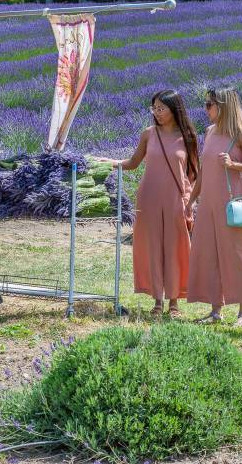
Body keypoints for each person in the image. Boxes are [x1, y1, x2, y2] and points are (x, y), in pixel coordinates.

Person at [99, 90, 199, 317]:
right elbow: (134, 162)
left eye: (161, 108)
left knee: (175, 248)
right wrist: (110, 162)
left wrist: (189, 201)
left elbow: (193, 173)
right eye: (154, 108)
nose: (157, 113)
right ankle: (157, 302)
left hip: (176, 198)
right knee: (152, 247)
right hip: (148, 197)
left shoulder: (188, 136)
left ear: (175, 109)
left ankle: (174, 303)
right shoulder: (148, 134)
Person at [186, 87, 242, 326]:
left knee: (237, 254)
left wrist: (234, 165)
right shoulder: (210, 132)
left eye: (209, 105)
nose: (205, 109)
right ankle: (215, 311)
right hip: (209, 203)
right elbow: (204, 171)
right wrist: (191, 200)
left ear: (223, 106)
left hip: (232, 203)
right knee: (210, 253)